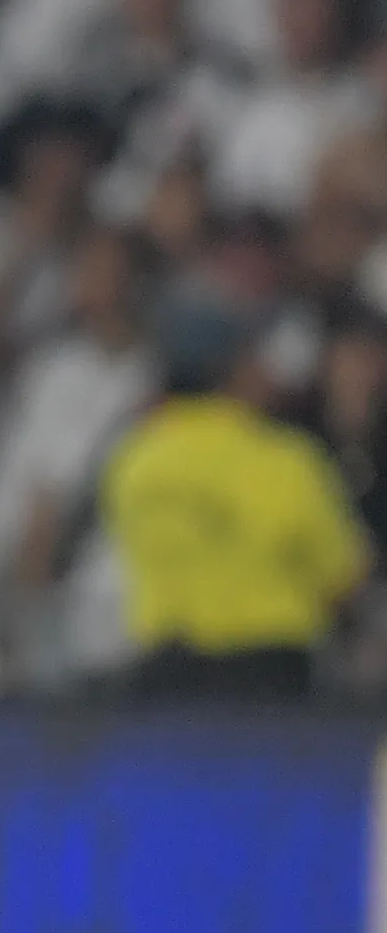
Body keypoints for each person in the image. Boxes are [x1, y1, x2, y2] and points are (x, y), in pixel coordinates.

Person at [102, 289, 370, 699]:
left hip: (166, 678)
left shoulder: (133, 458)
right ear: (235, 369)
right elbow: (343, 579)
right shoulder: (279, 458)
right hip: (269, 676)